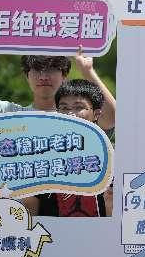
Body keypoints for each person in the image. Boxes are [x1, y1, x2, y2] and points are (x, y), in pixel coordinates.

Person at [0, 6, 116, 133]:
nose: (43, 76)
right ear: (26, 76)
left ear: (64, 75)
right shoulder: (10, 115)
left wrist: (87, 71)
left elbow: (111, 118)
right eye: (36, 69)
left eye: (51, 69)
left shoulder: (77, 116)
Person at [20, 79, 113, 217]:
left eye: (78, 107)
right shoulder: (41, 159)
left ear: (96, 114)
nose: (70, 114)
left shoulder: (112, 159)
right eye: (64, 108)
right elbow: (29, 209)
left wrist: (111, 206)